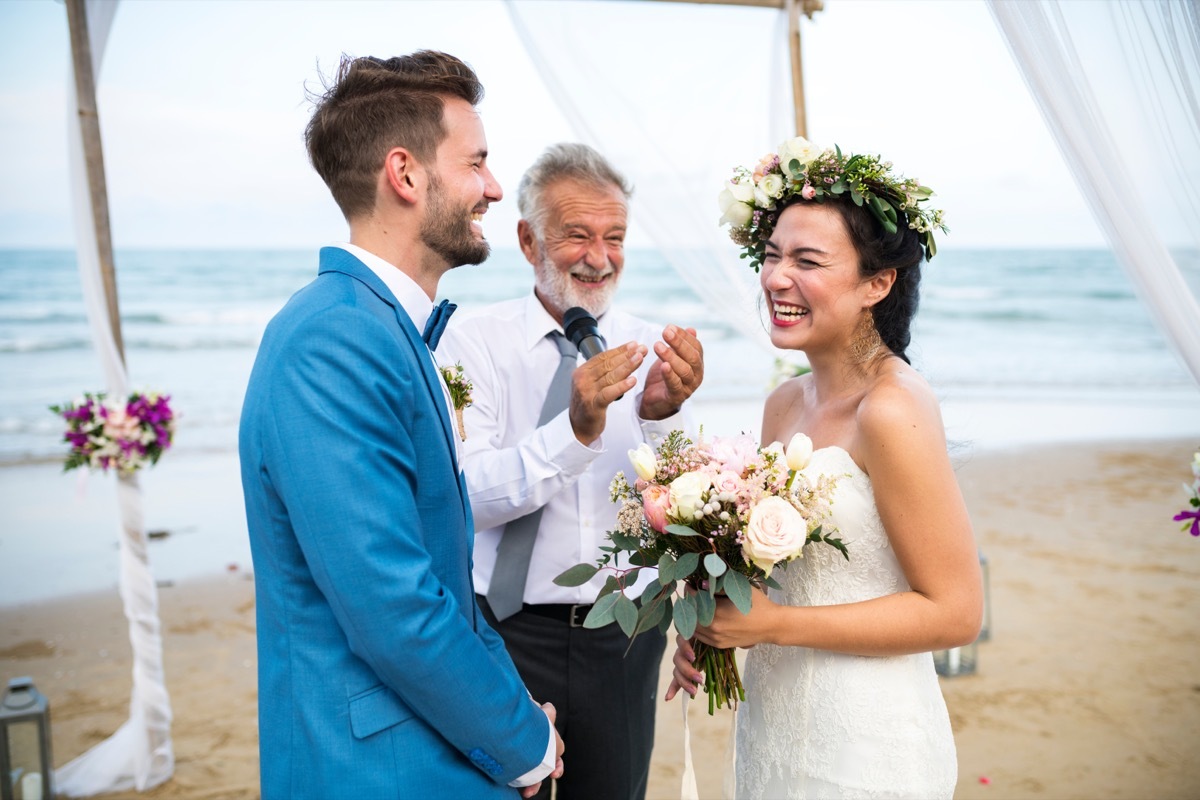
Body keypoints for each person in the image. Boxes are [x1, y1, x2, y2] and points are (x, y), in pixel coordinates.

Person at [238, 51, 563, 798]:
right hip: (376, 770)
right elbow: (395, 606)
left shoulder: (383, 327)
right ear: (406, 175)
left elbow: (443, 577)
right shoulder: (333, 339)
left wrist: (520, 718)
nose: (492, 186)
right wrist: (524, 743)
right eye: (476, 162)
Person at [667, 138, 983, 799]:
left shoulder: (892, 408)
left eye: (807, 261)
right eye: (773, 255)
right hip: (775, 725)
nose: (777, 278)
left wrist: (772, 626)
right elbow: (779, 573)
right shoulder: (784, 401)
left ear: (878, 282)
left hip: (868, 743)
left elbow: (955, 613)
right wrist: (717, 618)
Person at [439, 142, 705, 800]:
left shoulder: (654, 347)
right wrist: (575, 429)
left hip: (625, 633)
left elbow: (689, 504)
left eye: (614, 237)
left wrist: (665, 417)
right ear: (528, 239)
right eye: (577, 235)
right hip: (504, 627)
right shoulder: (473, 342)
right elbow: (465, 495)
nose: (599, 256)